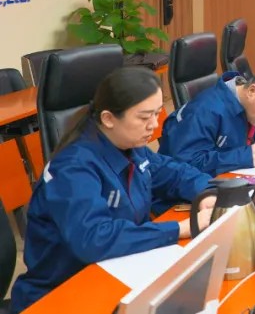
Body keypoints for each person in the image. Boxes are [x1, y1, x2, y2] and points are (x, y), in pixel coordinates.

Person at [10, 68, 215, 313]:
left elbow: (173, 173)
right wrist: (179, 229)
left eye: (157, 113)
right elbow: (94, 238)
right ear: (108, 118)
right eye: (144, 117)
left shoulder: (130, 145)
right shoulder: (73, 167)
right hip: (60, 294)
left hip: (117, 271)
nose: (154, 124)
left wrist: (207, 192)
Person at [158, 64, 255, 176]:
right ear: (252, 92)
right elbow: (185, 165)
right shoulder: (204, 112)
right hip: (183, 196)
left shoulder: (251, 104)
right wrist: (242, 157)